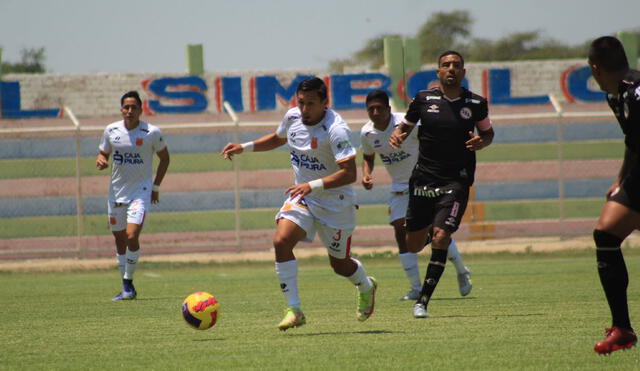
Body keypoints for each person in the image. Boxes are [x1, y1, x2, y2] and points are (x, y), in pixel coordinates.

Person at [221, 77, 377, 331]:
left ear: (325, 103)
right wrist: (244, 147)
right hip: (303, 198)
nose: (304, 110)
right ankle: (294, 309)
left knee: (340, 264)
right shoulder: (293, 117)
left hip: (336, 204)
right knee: (281, 241)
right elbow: (277, 138)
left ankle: (366, 286)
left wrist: (312, 184)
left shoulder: (336, 129)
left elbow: (349, 174)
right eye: (301, 102)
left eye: (311, 104)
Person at [389, 51, 494, 319]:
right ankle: (432, 237)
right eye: (446, 65)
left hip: (456, 179)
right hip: (423, 179)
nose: (451, 69)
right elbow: (406, 126)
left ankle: (422, 301)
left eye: (456, 66)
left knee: (441, 236)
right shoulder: (423, 99)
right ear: (438, 72)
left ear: (463, 72)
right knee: (413, 245)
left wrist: (482, 141)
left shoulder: (476, 103)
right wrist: (398, 136)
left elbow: (488, 132)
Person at [360, 89, 472, 301]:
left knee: (436, 231)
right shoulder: (367, 133)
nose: (375, 112)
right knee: (401, 232)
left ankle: (461, 271)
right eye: (370, 109)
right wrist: (367, 175)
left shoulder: (405, 121)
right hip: (399, 188)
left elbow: (434, 133)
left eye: (379, 108)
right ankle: (415, 288)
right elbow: (368, 157)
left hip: (426, 182)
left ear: (389, 109)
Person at [588, 36, 640, 355]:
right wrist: (620, 180)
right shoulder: (617, 94)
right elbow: (632, 141)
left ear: (594, 68)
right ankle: (622, 329)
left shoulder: (635, 91)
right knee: (606, 233)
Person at [96, 90, 170, 301]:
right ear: (121, 110)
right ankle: (126, 287)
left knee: (131, 235)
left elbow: (165, 159)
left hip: (141, 192)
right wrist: (101, 160)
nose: (130, 111)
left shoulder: (151, 133)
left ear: (141, 109)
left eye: (134, 107)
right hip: (116, 193)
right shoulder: (111, 130)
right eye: (126, 107)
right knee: (119, 239)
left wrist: (155, 187)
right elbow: (103, 152)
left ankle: (128, 282)